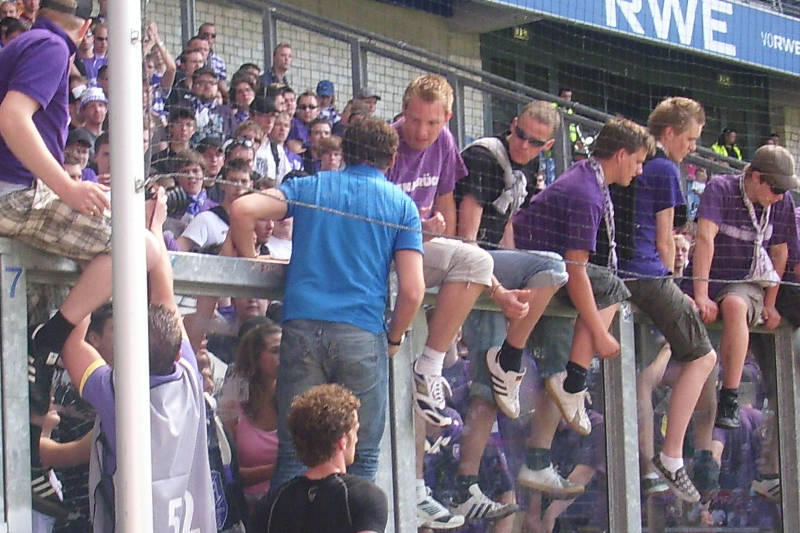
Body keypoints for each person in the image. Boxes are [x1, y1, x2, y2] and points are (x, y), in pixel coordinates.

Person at [227, 117, 425, 489]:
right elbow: (413, 291)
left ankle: (287, 520)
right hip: (362, 333)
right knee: (362, 457)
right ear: (392, 159)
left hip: (302, 329)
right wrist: (394, 339)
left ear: (344, 151)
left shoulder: (310, 187)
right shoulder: (402, 206)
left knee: (294, 453)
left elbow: (242, 209)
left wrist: (252, 257)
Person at [60, 195, 216, 531]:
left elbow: (70, 341)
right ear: (178, 353)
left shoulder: (115, 392)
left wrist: (95, 281)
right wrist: (155, 228)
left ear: (123, 354)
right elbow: (164, 292)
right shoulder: (188, 376)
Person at [450, 100, 570, 519]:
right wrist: (500, 289)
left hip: (492, 270)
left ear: (548, 145)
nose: (523, 144)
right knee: (553, 265)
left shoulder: (529, 168)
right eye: (520, 134)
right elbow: (468, 239)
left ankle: (477, 481)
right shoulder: (485, 156)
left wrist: (513, 284)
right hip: (467, 269)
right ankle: (464, 483)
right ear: (513, 125)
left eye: (535, 142)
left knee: (491, 390)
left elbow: (507, 230)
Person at [386, 74, 495, 529]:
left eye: (432, 122)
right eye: (414, 120)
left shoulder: (445, 142)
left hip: (421, 250)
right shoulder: (387, 142)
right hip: (383, 257)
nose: (421, 131)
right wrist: (419, 226)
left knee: (476, 260)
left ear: (446, 118)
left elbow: (447, 206)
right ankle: (409, 491)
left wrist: (439, 231)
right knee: (392, 390)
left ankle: (429, 367)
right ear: (403, 111)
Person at [513, 118, 654, 435]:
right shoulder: (586, 194)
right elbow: (575, 270)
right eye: (638, 161)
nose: (639, 170)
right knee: (611, 287)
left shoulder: (588, 178)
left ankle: (573, 381)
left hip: (544, 266)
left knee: (607, 286)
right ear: (621, 154)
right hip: (531, 268)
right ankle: (573, 382)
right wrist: (601, 334)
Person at [611, 97, 716, 502]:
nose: (692, 147)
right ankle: (671, 456)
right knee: (704, 357)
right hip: (646, 274)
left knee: (647, 373)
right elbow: (664, 237)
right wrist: (672, 284)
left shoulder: (636, 161)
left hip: (620, 271)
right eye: (689, 139)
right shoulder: (666, 169)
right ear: (668, 133)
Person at [683, 144, 798, 429]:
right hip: (708, 278)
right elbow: (705, 240)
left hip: (747, 283)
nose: (780, 196)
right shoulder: (720, 189)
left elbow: (780, 253)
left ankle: (730, 396)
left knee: (735, 305)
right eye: (776, 188)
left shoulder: (782, 203)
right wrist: (701, 293)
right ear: (756, 177)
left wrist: (770, 303)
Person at [251, 384, 388, 533]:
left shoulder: (270, 504)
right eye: (355, 431)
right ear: (342, 441)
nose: (356, 439)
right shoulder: (365, 498)